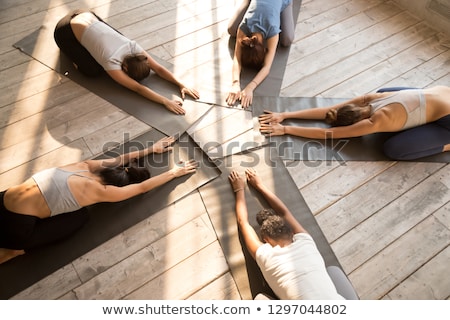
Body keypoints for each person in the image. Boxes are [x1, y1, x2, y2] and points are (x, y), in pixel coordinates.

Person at [0, 136, 197, 264]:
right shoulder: (99, 191)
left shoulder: (83, 165)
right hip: (15, 228)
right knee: (79, 218)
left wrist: (151, 148)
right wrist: (173, 173)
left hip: (4, 198)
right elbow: (141, 187)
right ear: (116, 185)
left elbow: (120, 158)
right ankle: (12, 251)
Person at [54, 9, 199, 115]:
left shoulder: (134, 48)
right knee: (93, 71)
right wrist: (165, 101)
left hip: (86, 13)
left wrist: (181, 84)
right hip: (64, 30)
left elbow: (159, 69)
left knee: (112, 39)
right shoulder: (111, 62)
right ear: (124, 67)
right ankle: (76, 58)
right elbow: (138, 88)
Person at [228, 168, 344, 299]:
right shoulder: (305, 241)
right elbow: (284, 213)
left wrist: (239, 190)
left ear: (266, 239)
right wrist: (260, 186)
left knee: (260, 298)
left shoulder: (266, 255)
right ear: (292, 232)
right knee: (334, 272)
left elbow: (243, 222)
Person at [258, 85, 450, 160]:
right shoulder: (370, 98)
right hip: (442, 92)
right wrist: (284, 114)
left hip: (447, 119)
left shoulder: (375, 121)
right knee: (387, 90)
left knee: (394, 149)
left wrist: (285, 129)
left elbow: (327, 135)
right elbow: (328, 112)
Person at [226, 0, 295, 108]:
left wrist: (250, 87)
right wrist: (235, 83)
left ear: (265, 48)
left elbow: (266, 67)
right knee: (232, 29)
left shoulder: (272, 31)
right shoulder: (244, 26)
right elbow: (237, 58)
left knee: (287, 39)